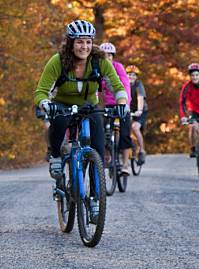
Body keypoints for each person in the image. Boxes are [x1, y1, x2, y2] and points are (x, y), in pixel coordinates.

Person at [34, 20, 128, 210]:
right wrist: (46, 104)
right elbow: (41, 92)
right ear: (70, 43)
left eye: (87, 42)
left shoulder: (99, 60)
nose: (84, 46)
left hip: (89, 106)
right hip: (63, 104)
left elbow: (117, 86)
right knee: (58, 121)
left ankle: (95, 198)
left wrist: (121, 104)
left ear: (92, 42)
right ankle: (55, 157)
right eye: (79, 42)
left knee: (98, 150)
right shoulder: (58, 61)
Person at [99, 42, 132, 175]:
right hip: (107, 105)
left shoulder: (118, 67)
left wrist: (126, 104)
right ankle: (108, 157)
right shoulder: (98, 69)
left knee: (124, 134)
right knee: (102, 132)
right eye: (104, 55)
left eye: (110, 55)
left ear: (113, 56)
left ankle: (125, 164)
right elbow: (95, 89)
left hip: (122, 103)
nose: (107, 58)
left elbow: (125, 85)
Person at [126, 65, 147, 164]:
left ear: (137, 77)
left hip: (140, 110)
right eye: (129, 74)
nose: (131, 77)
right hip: (128, 110)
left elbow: (140, 98)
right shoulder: (123, 83)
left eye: (134, 75)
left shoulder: (138, 85)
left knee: (135, 127)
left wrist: (139, 110)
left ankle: (142, 150)